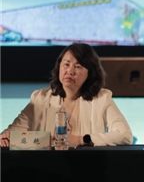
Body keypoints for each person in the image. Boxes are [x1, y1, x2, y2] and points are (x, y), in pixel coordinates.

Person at [0, 43, 133, 148]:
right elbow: (12, 133)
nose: (70, 71)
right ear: (59, 67)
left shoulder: (101, 99)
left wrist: (81, 139)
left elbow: (125, 135)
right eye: (66, 64)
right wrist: (6, 138)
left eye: (78, 66)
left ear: (90, 73)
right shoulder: (40, 98)